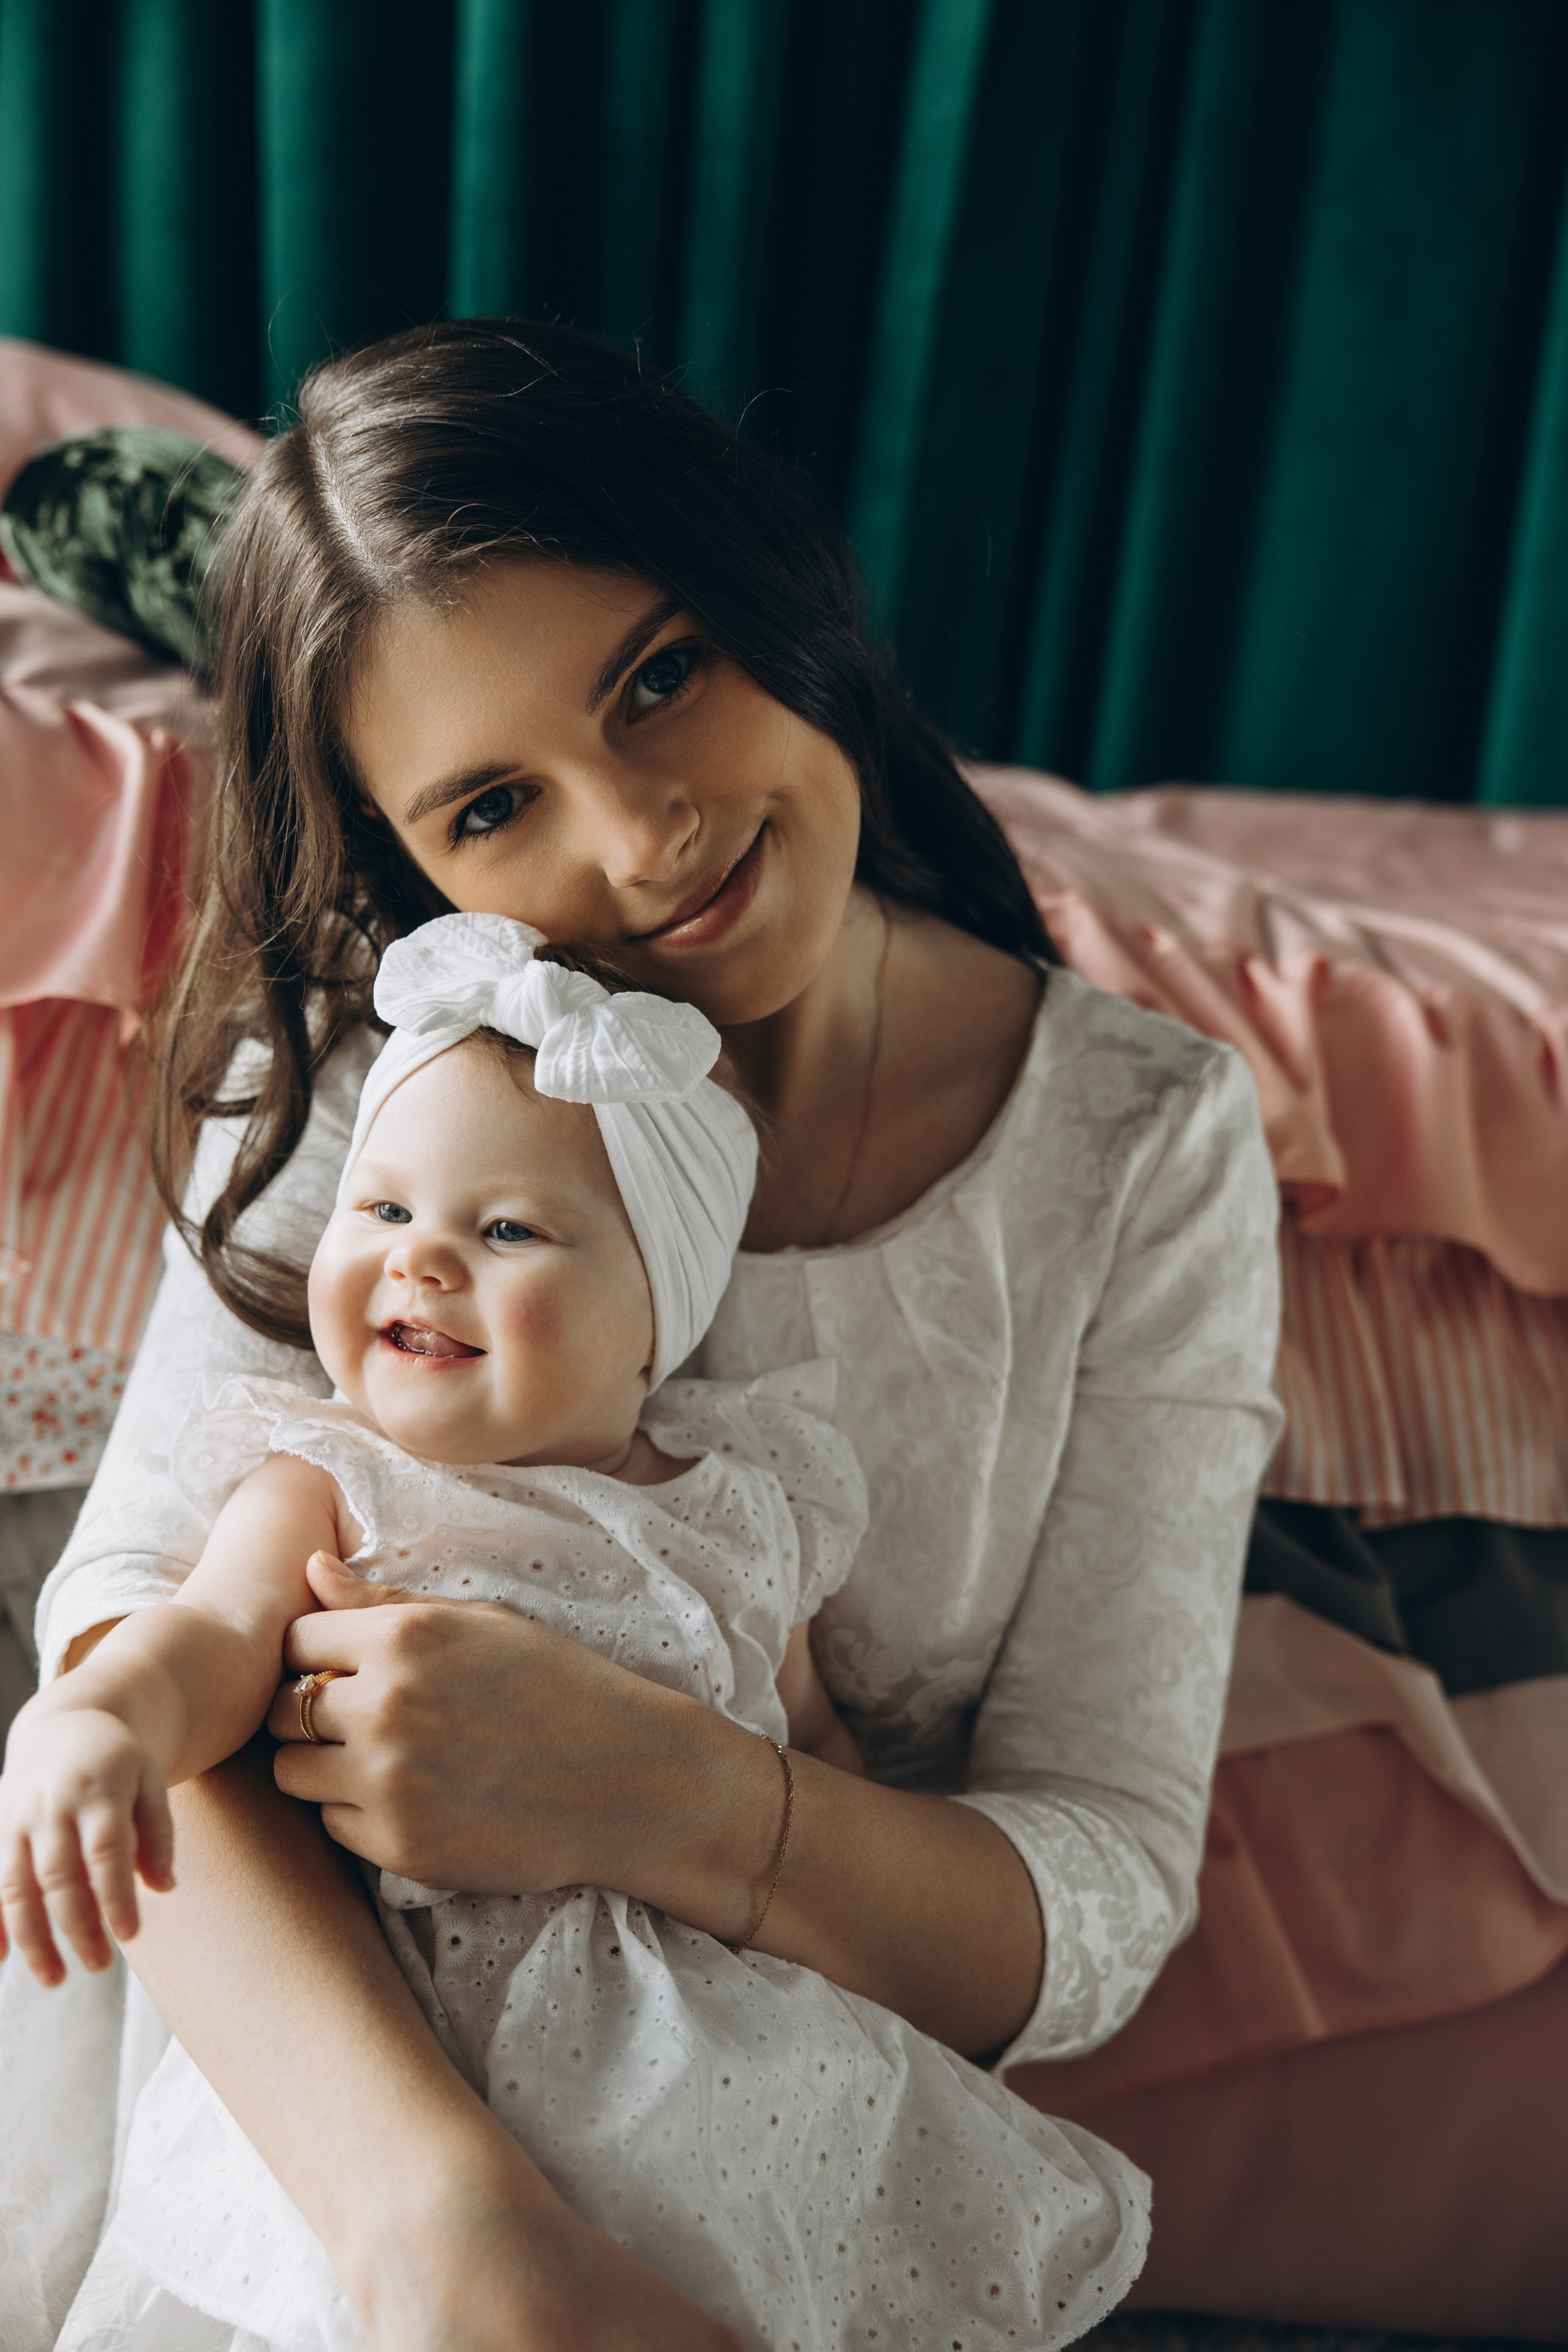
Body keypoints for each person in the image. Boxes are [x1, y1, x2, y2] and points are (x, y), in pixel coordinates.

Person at [18, 318, 1280, 2352]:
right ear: (410, 859)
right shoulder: (377, 1077)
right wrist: (460, 2252)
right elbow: (145, 1655)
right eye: (496, 803)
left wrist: (671, 1797)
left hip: (769, 2177)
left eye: (661, 676)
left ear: (772, 576)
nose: (639, 838)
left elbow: (1100, 1886)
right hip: (328, 2180)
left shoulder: (1141, 1143)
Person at [2, 912, 1150, 2349]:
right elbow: (211, 1638)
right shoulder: (328, 1475)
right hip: (410, 2045)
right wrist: (99, 1719)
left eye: (501, 1230)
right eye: (380, 1212)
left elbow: (815, 1754)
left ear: (651, 1321)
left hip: (711, 2062)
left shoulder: (741, 1513)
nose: (418, 1262)